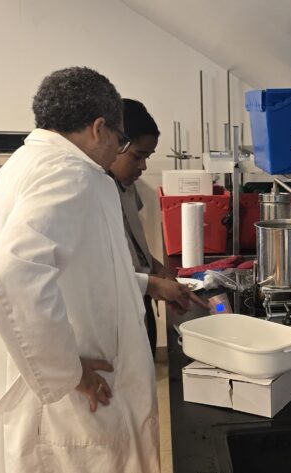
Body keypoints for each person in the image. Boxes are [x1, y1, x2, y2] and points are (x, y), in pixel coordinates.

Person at [0, 67, 204, 472]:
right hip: (75, 397)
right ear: (100, 128)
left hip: (56, 382)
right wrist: (68, 372)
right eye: (119, 139)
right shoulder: (69, 174)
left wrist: (146, 284)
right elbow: (15, 273)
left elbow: (82, 274)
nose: (118, 151)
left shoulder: (24, 165)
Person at [107, 98, 175, 358]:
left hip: (141, 296)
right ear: (115, 143)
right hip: (119, 306)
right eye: (138, 156)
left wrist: (157, 268)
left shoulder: (127, 185)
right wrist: (153, 284)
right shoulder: (96, 193)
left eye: (148, 157)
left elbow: (135, 242)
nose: (143, 166)